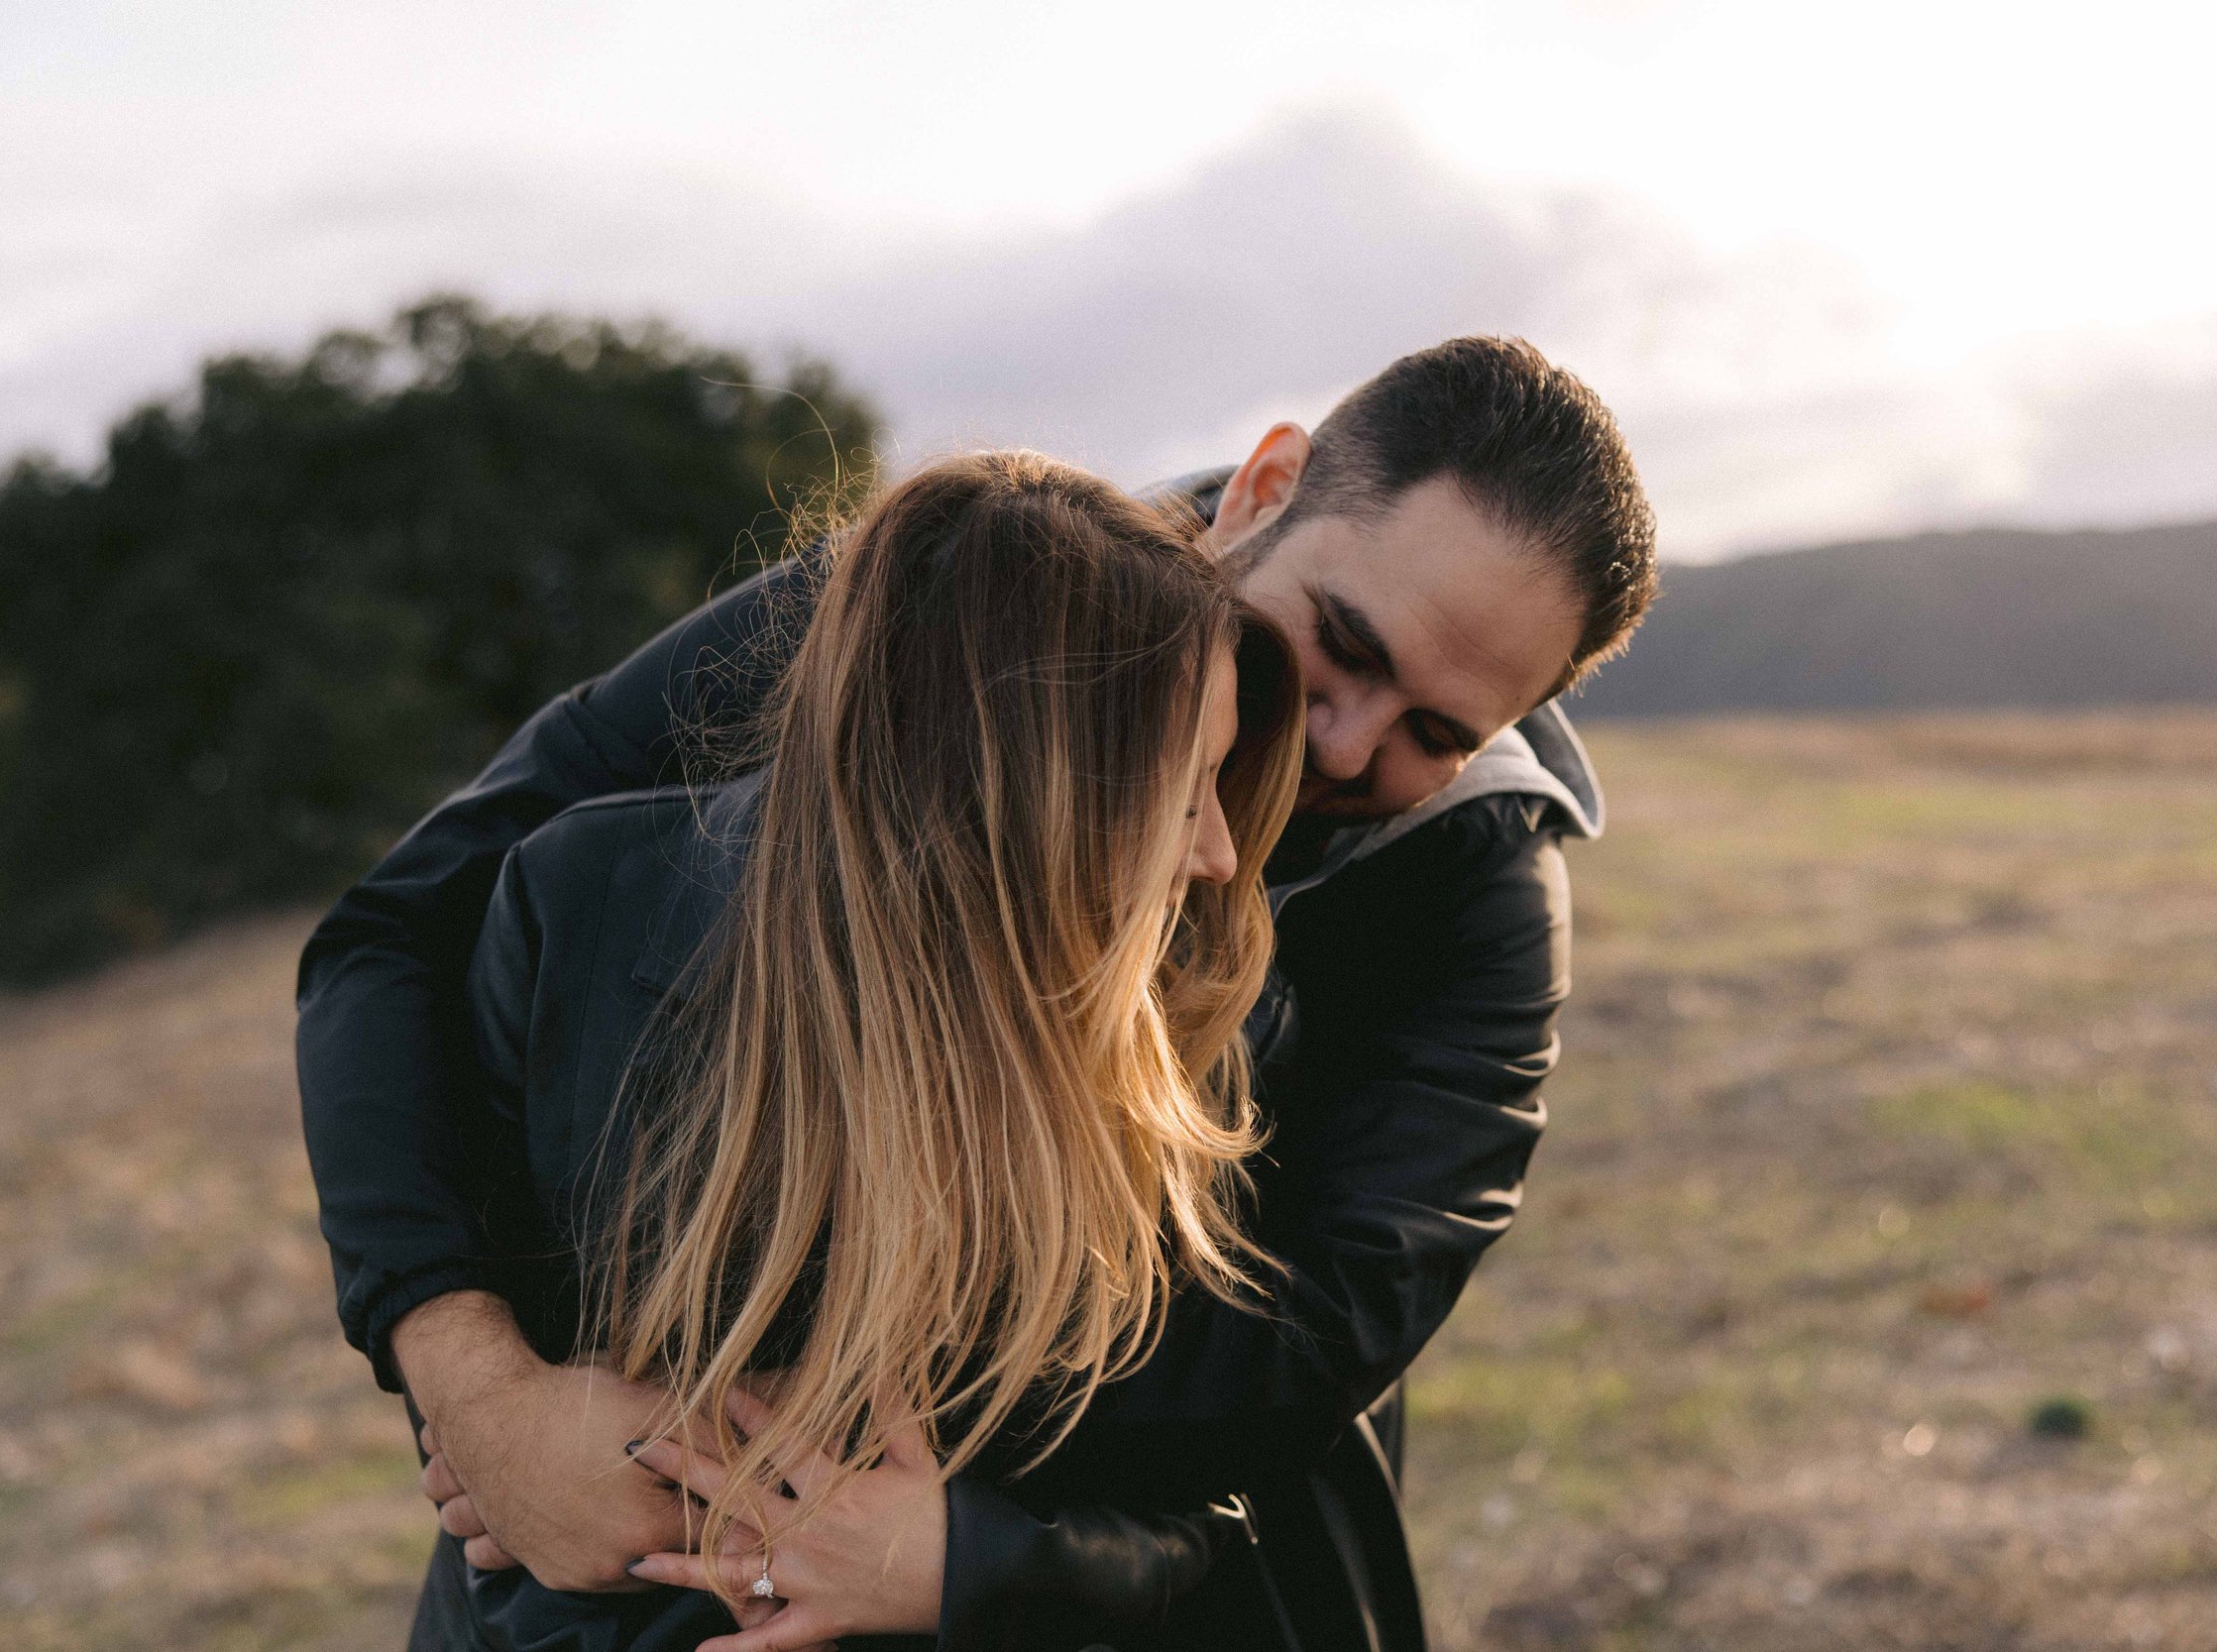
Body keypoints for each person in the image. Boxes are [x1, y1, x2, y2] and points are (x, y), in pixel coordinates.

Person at [297, 336, 1659, 1650]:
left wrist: (971, 1548)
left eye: (1439, 731)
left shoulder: (1476, 896)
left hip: (1156, 1550)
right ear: (1263, 486)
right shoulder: (942, 601)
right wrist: (479, 1389)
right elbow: (400, 930)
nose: (1340, 744)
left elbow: (1315, 1332)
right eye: (1341, 643)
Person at [420, 452, 1309, 1650]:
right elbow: (484, 1413)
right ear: (1020, 783)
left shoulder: (1195, 1040)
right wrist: (547, 1461)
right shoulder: (580, 903)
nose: (1214, 851)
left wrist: (964, 1566)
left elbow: (1198, 1510)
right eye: (1182, 785)